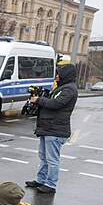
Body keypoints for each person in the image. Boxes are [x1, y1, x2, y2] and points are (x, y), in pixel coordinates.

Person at [25, 64, 78, 194]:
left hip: (56, 130)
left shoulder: (69, 90)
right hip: (49, 128)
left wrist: (38, 100)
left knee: (52, 159)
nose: (57, 76)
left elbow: (55, 104)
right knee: (43, 157)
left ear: (66, 75)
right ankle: (41, 179)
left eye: (59, 74)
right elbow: (51, 101)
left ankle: (51, 184)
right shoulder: (62, 88)